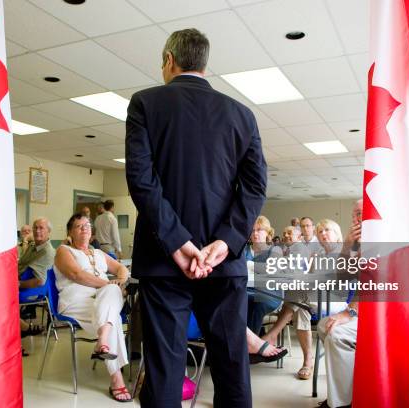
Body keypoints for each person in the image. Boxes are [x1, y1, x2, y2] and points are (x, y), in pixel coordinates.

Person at [126, 28, 267, 408]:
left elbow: (142, 180)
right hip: (225, 264)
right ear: (204, 64)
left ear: (169, 60)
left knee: (165, 368)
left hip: (163, 260)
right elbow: (255, 188)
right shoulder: (242, 114)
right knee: (232, 366)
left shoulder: (145, 103)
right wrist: (224, 242)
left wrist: (177, 242)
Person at [54, 213, 132, 402]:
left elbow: (122, 269)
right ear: (70, 232)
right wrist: (109, 285)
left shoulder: (98, 253)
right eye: (80, 226)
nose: (85, 228)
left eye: (87, 225)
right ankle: (116, 378)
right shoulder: (64, 250)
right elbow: (76, 274)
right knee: (111, 314)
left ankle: (103, 342)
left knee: (111, 294)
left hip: (102, 299)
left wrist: (119, 281)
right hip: (76, 301)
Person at [316, 200, 362, 408]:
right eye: (353, 215)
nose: (355, 220)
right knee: (324, 325)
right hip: (362, 309)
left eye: (359, 214)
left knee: (337, 334)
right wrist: (347, 246)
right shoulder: (360, 243)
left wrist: (350, 312)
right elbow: (344, 276)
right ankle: (352, 393)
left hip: (388, 315)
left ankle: (342, 403)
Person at [18, 218, 55, 348]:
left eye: (41, 228)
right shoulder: (33, 246)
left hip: (34, 290)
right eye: (35, 227)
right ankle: (20, 327)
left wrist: (17, 285)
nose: (37, 230)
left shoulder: (47, 252)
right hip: (20, 282)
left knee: (0, 301)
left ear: (48, 231)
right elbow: (20, 264)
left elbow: (39, 281)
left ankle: (23, 328)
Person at [244, 215, 283, 335]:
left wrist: (248, 264)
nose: (255, 233)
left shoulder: (275, 250)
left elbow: (269, 270)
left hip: (270, 294)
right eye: (253, 230)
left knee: (258, 303)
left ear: (268, 233)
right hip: (247, 290)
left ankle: (251, 346)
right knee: (235, 300)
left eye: (260, 230)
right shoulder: (244, 250)